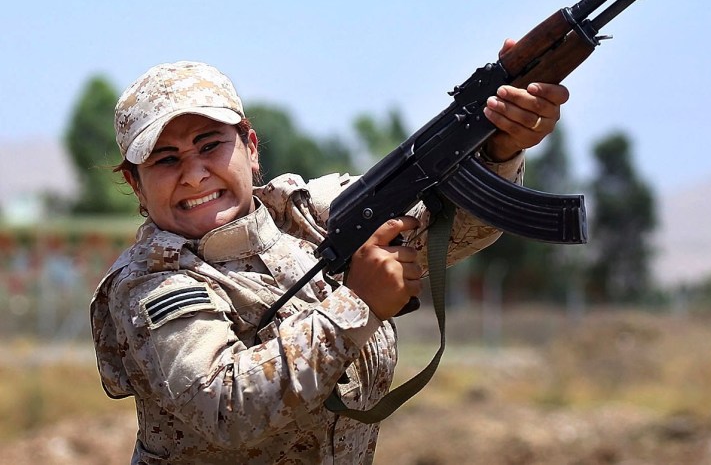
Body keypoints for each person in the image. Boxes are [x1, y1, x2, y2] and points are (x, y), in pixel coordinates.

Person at [90, 47, 569, 464]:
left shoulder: (312, 214)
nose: (194, 176)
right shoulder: (151, 284)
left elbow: (457, 230)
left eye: (210, 145)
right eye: (166, 160)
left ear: (251, 148)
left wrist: (501, 146)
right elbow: (226, 406)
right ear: (136, 183)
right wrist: (355, 305)